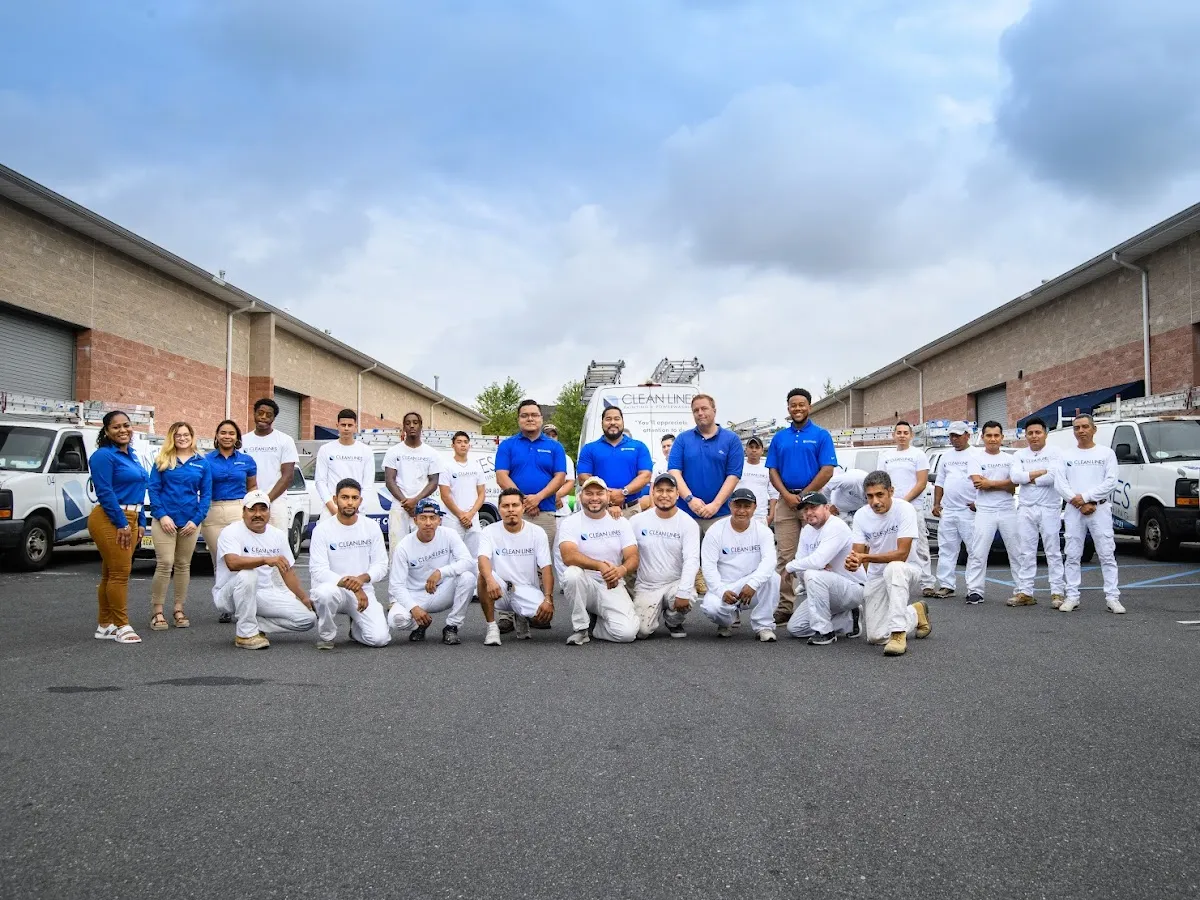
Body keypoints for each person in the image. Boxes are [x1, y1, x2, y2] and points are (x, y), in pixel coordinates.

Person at [767, 388, 837, 625]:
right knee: (785, 557)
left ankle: (821, 603)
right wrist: (786, 495)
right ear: (788, 408)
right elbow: (773, 470)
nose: (797, 408)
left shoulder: (821, 435)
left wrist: (805, 495)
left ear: (809, 406)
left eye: (801, 404)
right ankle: (785, 606)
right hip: (786, 502)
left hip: (814, 502)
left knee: (819, 554)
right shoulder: (780, 438)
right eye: (793, 405)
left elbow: (827, 470)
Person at [213, 490, 316, 649]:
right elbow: (232, 563)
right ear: (243, 512)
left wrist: (303, 598)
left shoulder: (277, 535)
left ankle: (256, 625)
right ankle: (245, 635)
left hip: (264, 593)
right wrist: (265, 560)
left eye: (263, 509)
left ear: (269, 511)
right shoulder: (231, 532)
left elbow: (287, 571)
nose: (258, 514)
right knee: (248, 574)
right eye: (252, 509)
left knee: (307, 619)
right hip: (230, 594)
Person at [845, 471, 933, 657]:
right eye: (870, 496)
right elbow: (857, 553)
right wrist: (853, 562)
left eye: (880, 495)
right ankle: (915, 613)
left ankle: (898, 633)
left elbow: (902, 554)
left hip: (907, 568)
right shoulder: (861, 515)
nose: (875, 501)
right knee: (876, 637)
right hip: (877, 573)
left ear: (891, 491)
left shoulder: (905, 509)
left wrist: (864, 558)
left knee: (894, 568)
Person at [89, 410, 150, 645]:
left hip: (131, 518)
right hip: (111, 518)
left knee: (110, 573)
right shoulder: (103, 456)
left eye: (126, 425)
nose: (123, 430)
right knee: (119, 574)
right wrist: (122, 523)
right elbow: (105, 492)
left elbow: (138, 491)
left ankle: (105, 625)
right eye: (116, 427)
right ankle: (122, 626)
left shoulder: (131, 455)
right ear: (106, 431)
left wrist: (141, 521)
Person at [309, 478, 391, 649]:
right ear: (335, 499)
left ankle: (355, 630)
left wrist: (362, 579)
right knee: (325, 594)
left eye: (354, 498)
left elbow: (381, 565)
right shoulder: (322, 530)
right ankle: (327, 635)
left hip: (362, 590)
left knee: (379, 639)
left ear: (360, 500)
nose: (350, 502)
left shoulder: (371, 527)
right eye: (345, 497)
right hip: (333, 590)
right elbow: (318, 570)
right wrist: (354, 586)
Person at [558, 476, 639, 645]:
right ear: (580, 496)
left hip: (612, 582)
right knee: (572, 574)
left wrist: (621, 570)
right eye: (589, 493)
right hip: (585, 583)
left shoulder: (621, 522)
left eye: (599, 493)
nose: (594, 498)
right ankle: (581, 628)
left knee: (627, 634)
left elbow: (633, 556)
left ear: (608, 496)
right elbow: (568, 556)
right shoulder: (570, 522)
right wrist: (599, 565)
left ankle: (597, 625)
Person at [1054, 414, 1123, 614]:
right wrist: (1078, 502)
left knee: (1106, 553)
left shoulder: (1106, 453)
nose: (1081, 431)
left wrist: (1086, 498)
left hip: (1099, 509)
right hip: (1074, 510)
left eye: (1085, 427)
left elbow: (1111, 482)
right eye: (1077, 428)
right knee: (1072, 554)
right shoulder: (1066, 455)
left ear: (1094, 429)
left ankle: (1112, 598)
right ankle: (1072, 596)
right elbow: (1060, 483)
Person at [147, 421, 211, 631]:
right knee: (165, 563)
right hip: (164, 521)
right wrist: (162, 515)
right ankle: (157, 611)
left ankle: (178, 609)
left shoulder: (202, 463)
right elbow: (153, 490)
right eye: (178, 435)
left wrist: (196, 520)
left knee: (183, 564)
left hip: (190, 522)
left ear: (192, 437)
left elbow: (206, 495)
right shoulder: (163, 460)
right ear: (172, 438)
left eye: (186, 434)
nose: (182, 438)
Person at [386, 499, 475, 644]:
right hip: (415, 595)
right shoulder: (403, 546)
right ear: (415, 520)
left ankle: (452, 626)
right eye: (423, 518)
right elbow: (396, 585)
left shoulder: (449, 534)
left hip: (442, 591)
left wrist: (441, 572)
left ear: (440, 520)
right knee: (396, 620)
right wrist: (413, 608)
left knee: (467, 577)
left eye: (433, 518)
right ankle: (420, 624)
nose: (428, 523)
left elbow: (468, 561)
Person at [782, 492, 865, 644]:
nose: (809, 512)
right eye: (805, 509)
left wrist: (789, 567)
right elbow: (803, 562)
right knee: (796, 628)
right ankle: (848, 620)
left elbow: (817, 561)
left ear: (826, 507)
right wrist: (810, 566)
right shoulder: (807, 530)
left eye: (813, 507)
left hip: (852, 588)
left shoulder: (836, 526)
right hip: (824, 587)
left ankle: (825, 632)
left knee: (813, 574)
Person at [699, 487, 781, 641]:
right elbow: (708, 567)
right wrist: (721, 591)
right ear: (730, 505)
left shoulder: (763, 531)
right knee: (712, 609)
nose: (742, 511)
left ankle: (763, 626)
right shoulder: (715, 531)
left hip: (751, 586)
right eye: (737, 506)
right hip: (725, 586)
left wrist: (753, 584)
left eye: (747, 506)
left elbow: (770, 561)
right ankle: (727, 620)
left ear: (755, 508)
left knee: (773, 577)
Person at [477, 488, 555, 646]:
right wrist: (490, 580)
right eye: (505, 506)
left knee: (543, 617)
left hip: (526, 588)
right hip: (499, 590)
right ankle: (492, 627)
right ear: (499, 509)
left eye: (515, 505)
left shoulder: (537, 532)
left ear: (523, 508)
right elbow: (482, 558)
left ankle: (521, 616)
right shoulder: (489, 531)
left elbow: (546, 568)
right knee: (483, 577)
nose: (510, 509)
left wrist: (548, 599)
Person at [630, 473, 701, 638]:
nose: (664, 495)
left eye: (669, 490)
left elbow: (691, 560)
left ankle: (673, 620)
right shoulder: (637, 521)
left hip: (674, 584)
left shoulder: (688, 523)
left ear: (677, 494)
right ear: (652, 493)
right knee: (641, 632)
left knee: (689, 596)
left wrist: (683, 592)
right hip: (647, 586)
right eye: (659, 490)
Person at [1009, 416, 1066, 607]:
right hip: (1026, 508)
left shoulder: (1055, 452)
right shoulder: (1019, 454)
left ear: (1045, 434)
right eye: (1030, 433)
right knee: (1026, 551)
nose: (1034, 436)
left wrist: (1028, 478)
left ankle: (1057, 592)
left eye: (1038, 432)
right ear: (1025, 435)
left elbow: (1053, 476)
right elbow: (1015, 477)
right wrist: (1040, 472)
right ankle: (1025, 592)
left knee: (1053, 551)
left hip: (1049, 507)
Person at [669, 394, 745, 535]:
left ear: (714, 411)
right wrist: (690, 500)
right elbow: (674, 472)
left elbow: (733, 475)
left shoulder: (732, 440)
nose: (700, 413)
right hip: (686, 514)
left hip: (720, 515)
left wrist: (715, 505)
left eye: (704, 408)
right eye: (696, 410)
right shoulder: (682, 439)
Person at [495, 400, 566, 546]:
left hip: (545, 513)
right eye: (524, 415)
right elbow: (501, 477)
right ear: (518, 419)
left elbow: (560, 477)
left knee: (544, 557)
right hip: (515, 513)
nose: (530, 419)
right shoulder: (507, 445)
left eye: (534, 415)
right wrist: (524, 502)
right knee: (514, 554)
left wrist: (538, 498)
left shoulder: (555, 447)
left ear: (541, 418)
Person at [879, 421, 937, 596]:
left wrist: (904, 501)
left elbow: (921, 483)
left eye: (905, 432)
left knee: (919, 545)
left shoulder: (918, 455)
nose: (902, 435)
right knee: (889, 543)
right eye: (899, 432)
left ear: (911, 435)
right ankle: (889, 580)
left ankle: (927, 583)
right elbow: (881, 481)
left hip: (913, 508)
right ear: (893, 435)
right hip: (891, 509)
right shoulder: (885, 455)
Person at [968, 421, 1021, 605]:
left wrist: (990, 483)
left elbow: (1014, 484)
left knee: (1016, 551)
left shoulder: (1011, 459)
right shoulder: (975, 458)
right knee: (978, 552)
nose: (993, 439)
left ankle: (1022, 589)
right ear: (982, 437)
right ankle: (975, 590)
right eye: (989, 436)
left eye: (996, 435)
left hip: (1007, 510)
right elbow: (978, 483)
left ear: (1002, 437)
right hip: (985, 511)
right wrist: (1005, 484)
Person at [931, 421, 980, 601]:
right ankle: (946, 585)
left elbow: (984, 480)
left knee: (974, 550)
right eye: (952, 435)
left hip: (969, 510)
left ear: (967, 435)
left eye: (958, 435)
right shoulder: (946, 457)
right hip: (949, 510)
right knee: (946, 549)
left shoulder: (977, 455)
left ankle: (974, 588)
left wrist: (978, 502)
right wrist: (937, 504)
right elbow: (940, 482)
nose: (954, 439)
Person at [202, 420, 258, 579]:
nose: (227, 436)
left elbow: (252, 487)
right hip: (212, 512)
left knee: (239, 559)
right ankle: (221, 595)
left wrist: (253, 509)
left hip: (238, 511)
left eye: (231, 433)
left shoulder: (247, 460)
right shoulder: (205, 460)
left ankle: (239, 594)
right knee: (219, 561)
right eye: (223, 433)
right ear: (216, 436)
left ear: (237, 437)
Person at [577, 405, 653, 518]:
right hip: (599, 511)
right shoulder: (589, 449)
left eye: (617, 419)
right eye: (608, 419)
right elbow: (583, 477)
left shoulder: (639, 447)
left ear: (622, 422)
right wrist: (607, 495)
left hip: (631, 510)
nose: (612, 422)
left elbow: (645, 475)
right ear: (602, 423)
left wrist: (623, 492)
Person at [382, 411, 443, 544]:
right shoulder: (393, 451)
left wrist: (415, 501)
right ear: (404, 427)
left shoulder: (432, 453)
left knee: (423, 546)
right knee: (397, 547)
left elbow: (434, 482)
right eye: (408, 423)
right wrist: (406, 503)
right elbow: (389, 480)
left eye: (415, 423)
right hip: (399, 507)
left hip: (423, 507)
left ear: (421, 426)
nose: (412, 426)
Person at [240, 398, 300, 533]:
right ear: (254, 414)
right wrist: (252, 500)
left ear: (274, 418)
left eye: (269, 415)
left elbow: (288, 476)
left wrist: (266, 500)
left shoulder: (285, 440)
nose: (263, 417)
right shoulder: (243, 441)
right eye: (260, 413)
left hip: (276, 502)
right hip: (247, 501)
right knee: (248, 540)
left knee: (277, 540)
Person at [314, 409, 375, 517]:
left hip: (356, 511)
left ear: (355, 427)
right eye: (343, 425)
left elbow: (368, 484)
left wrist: (356, 508)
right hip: (331, 511)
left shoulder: (366, 451)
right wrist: (333, 509)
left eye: (350, 425)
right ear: (337, 425)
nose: (346, 428)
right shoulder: (325, 449)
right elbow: (320, 481)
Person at [438, 431, 487, 562]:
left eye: (465, 442)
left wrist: (470, 514)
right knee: (451, 557)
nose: (463, 445)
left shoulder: (476, 467)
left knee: (474, 557)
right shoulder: (446, 467)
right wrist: (461, 515)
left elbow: (482, 493)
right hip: (453, 519)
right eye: (459, 442)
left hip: (473, 519)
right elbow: (445, 495)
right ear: (453, 445)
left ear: (469, 446)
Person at [738, 436, 778, 525]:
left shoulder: (768, 468)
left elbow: (774, 494)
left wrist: (771, 516)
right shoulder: (738, 466)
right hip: (739, 514)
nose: (754, 450)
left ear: (762, 450)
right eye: (751, 447)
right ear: (746, 449)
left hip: (760, 516)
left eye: (757, 447)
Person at [640, 434, 676, 511]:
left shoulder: (684, 463)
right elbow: (652, 489)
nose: (666, 449)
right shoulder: (657, 465)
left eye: (669, 446)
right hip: (662, 505)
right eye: (664, 447)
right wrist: (653, 508)